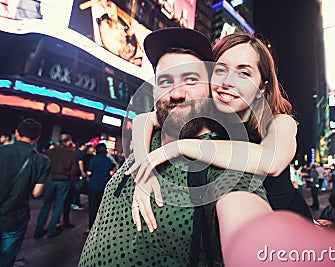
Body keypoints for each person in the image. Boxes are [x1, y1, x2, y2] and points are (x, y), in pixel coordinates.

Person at [79, 28, 271, 266]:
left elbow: (245, 213)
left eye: (191, 79)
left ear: (212, 87)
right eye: (165, 81)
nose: (177, 93)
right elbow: (144, 119)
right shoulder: (149, 136)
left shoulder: (220, 165)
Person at [128, 31, 313, 226]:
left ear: (262, 88)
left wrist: (179, 146)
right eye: (220, 70)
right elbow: (144, 120)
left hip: (288, 228)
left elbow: (271, 162)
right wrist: (143, 171)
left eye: (244, 73)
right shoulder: (202, 115)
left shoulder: (279, 121)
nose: (227, 83)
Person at [0, 118, 50, 267]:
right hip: (15, 217)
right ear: (37, 138)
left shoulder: (2, 151)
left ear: (16, 133)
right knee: (6, 257)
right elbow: (36, 193)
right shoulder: (42, 161)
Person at [34, 134, 78, 238]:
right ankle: (51, 230)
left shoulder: (51, 152)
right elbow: (74, 170)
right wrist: (71, 180)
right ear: (69, 142)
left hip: (50, 180)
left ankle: (39, 229)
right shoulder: (71, 153)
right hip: (64, 181)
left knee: (46, 205)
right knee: (58, 206)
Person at [84, 143, 115, 235]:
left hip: (93, 186)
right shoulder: (108, 160)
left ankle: (90, 228)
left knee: (92, 207)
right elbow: (111, 173)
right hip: (104, 187)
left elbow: (89, 172)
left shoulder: (94, 159)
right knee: (100, 208)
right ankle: (98, 228)